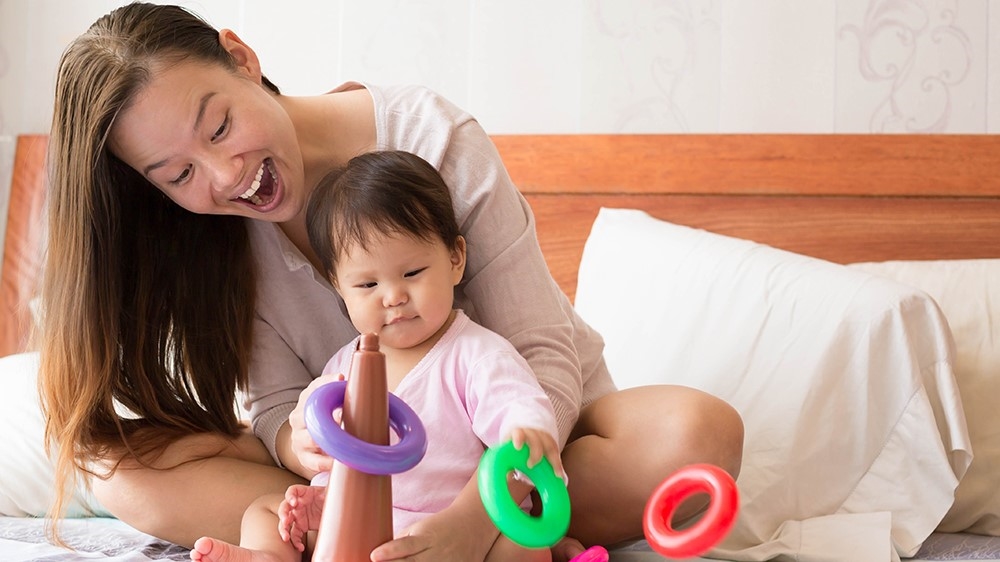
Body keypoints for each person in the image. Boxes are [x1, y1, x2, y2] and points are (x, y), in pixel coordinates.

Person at [39, 3, 744, 561]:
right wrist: (300, 446)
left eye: (220, 126)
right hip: (370, 468)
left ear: (242, 59)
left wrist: (477, 516)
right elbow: (278, 405)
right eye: (179, 174)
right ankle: (360, 530)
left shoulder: (431, 137)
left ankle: (469, 530)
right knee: (115, 470)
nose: (226, 176)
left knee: (697, 434)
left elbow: (542, 358)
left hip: (530, 436)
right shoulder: (213, 229)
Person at [190, 150, 567, 562]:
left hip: (441, 532)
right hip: (353, 524)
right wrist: (318, 493)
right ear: (338, 286)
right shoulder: (342, 368)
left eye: (412, 273)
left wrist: (526, 430)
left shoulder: (477, 355)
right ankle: (267, 556)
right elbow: (332, 454)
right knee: (265, 510)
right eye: (368, 285)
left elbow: (518, 408)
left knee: (525, 547)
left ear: (455, 259)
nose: (393, 297)